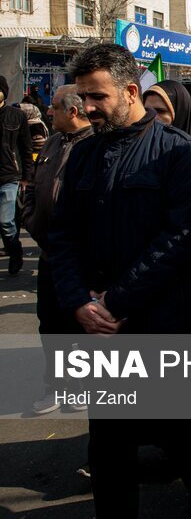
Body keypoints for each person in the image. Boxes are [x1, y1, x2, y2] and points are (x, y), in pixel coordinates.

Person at [47, 43, 191, 518]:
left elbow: (182, 239)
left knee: (172, 422)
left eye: (98, 96)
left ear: (129, 91)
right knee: (109, 441)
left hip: (157, 319)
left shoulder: (176, 151)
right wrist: (78, 301)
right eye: (84, 97)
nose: (88, 108)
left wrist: (117, 302)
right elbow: (62, 235)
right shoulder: (85, 153)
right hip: (97, 326)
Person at [22, 85, 92, 414]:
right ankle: (57, 385)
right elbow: (35, 185)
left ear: (72, 111)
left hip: (82, 260)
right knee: (50, 325)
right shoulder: (52, 142)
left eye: (54, 107)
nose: (48, 112)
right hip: (49, 255)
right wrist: (30, 217)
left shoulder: (95, 145)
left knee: (81, 327)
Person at [0, 75, 32, 275]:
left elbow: (26, 148)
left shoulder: (16, 115)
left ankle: (14, 252)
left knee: (6, 222)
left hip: (9, 177)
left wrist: (27, 177)